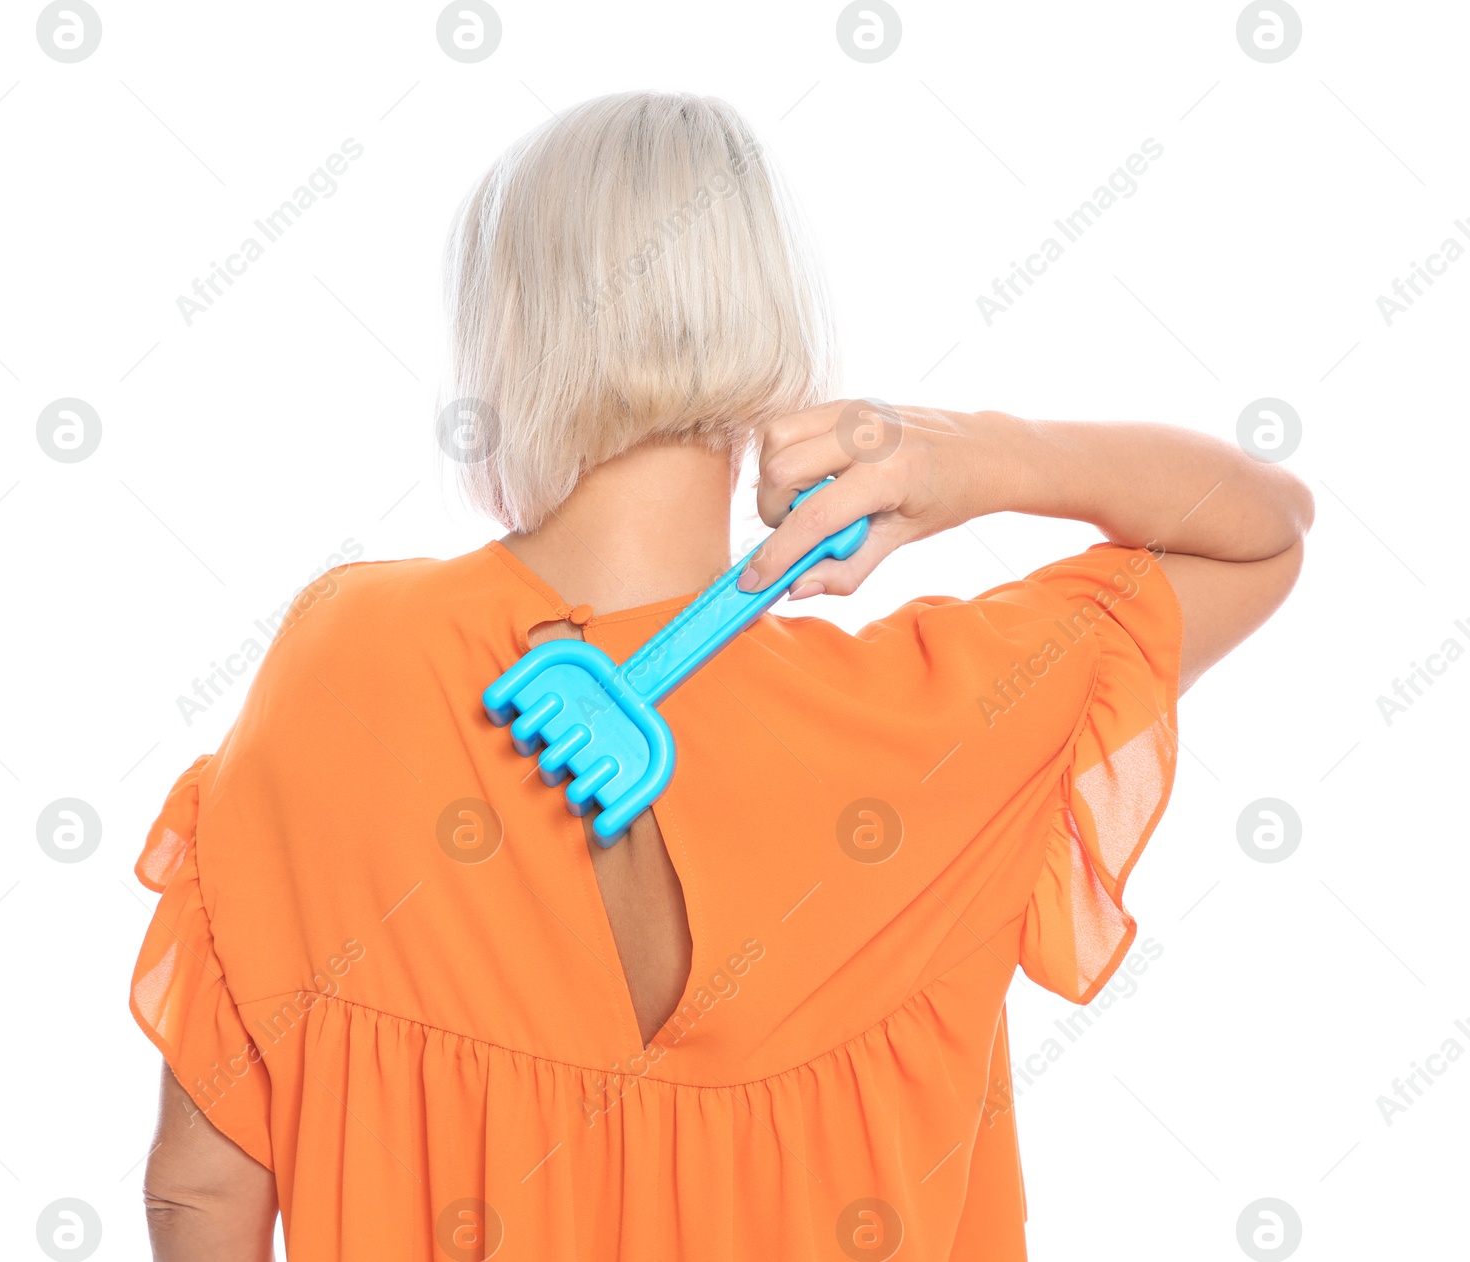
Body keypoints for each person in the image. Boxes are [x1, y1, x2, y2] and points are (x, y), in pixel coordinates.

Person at [131, 91, 1312, 1261]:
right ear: (769, 337)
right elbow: (1263, 525)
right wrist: (984, 456)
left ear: (507, 345)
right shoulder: (938, 723)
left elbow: (199, 1193)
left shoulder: (347, 660)